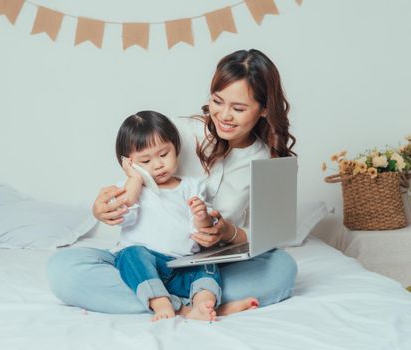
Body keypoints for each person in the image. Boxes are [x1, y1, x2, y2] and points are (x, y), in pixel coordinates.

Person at [46, 49, 298, 315]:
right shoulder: (177, 132)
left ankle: (170, 298)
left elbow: (269, 238)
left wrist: (227, 233)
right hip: (147, 258)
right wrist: (101, 209)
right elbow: (134, 174)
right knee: (63, 268)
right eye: (217, 101)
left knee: (283, 268)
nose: (223, 115)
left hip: (208, 264)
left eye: (238, 108)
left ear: (264, 109)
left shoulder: (270, 160)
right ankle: (196, 304)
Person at [111, 111, 258, 322]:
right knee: (129, 255)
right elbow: (124, 212)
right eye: (145, 160)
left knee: (208, 264)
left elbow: (200, 230)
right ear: (129, 163)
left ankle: (202, 305)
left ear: (176, 149)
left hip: (183, 266)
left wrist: (201, 216)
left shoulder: (192, 186)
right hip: (148, 267)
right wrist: (134, 179)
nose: (158, 165)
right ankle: (162, 303)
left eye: (164, 154)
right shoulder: (128, 190)